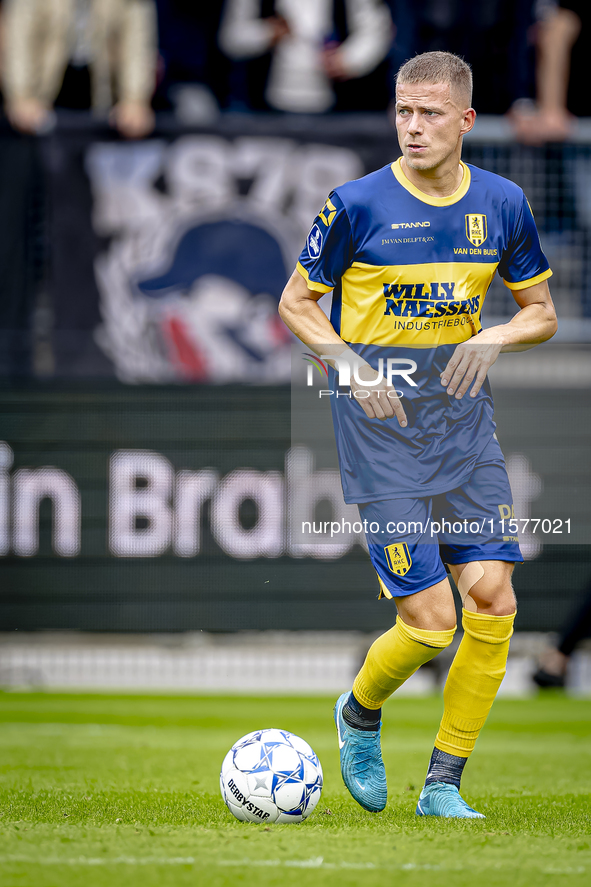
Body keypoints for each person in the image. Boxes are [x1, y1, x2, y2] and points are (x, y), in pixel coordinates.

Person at [279, 51, 557, 818]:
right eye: (403, 111)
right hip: (381, 429)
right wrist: (346, 365)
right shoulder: (355, 204)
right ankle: (358, 712)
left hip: (463, 423)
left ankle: (442, 784)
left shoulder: (501, 202)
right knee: (431, 621)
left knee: (494, 600)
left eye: (429, 113)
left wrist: (495, 336)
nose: (411, 126)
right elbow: (297, 302)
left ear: (465, 120)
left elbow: (541, 311)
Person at [3, 0, 157, 138]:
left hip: (103, 91)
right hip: (45, 90)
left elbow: (137, 40)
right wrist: (21, 94)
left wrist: (135, 97)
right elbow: (19, 37)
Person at [218, 0, 393, 113]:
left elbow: (377, 30)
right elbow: (231, 37)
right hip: (265, 101)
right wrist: (267, 33)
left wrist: (348, 59)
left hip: (338, 102)